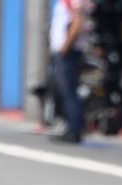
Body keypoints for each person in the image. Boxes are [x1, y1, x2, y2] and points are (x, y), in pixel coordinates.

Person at [49, 0, 90, 144]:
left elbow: (77, 22)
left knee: (69, 91)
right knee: (65, 90)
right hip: (66, 51)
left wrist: (65, 47)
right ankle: (71, 127)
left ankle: (74, 129)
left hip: (68, 52)